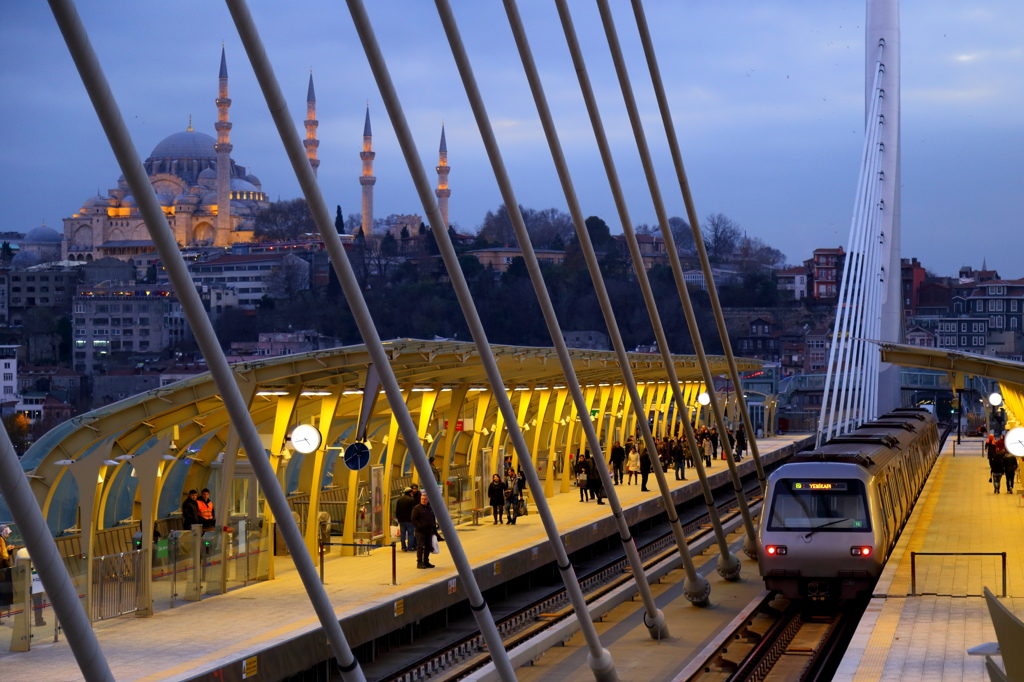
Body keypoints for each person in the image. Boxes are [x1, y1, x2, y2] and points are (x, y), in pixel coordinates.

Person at [410, 492, 438, 569]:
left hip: (429, 531)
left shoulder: (430, 508)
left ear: (428, 500)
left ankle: (426, 561)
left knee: (428, 546)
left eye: (425, 499)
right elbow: (413, 519)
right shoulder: (416, 508)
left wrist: (434, 530)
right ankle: (419, 562)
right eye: (422, 499)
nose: (423, 500)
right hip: (420, 531)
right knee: (420, 547)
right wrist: (420, 526)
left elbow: (432, 518)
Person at [395, 486, 418, 550]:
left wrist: (398, 519)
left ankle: (403, 547)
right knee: (410, 534)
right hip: (409, 520)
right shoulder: (411, 500)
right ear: (410, 493)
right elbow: (413, 511)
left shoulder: (399, 500)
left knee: (403, 534)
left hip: (401, 520)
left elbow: (397, 510)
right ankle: (410, 547)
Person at [0, 525, 13, 616]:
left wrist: (8, 550)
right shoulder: (1, 540)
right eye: (7, 532)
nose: (8, 534)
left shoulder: (3, 540)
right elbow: (3, 556)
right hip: (2, 568)